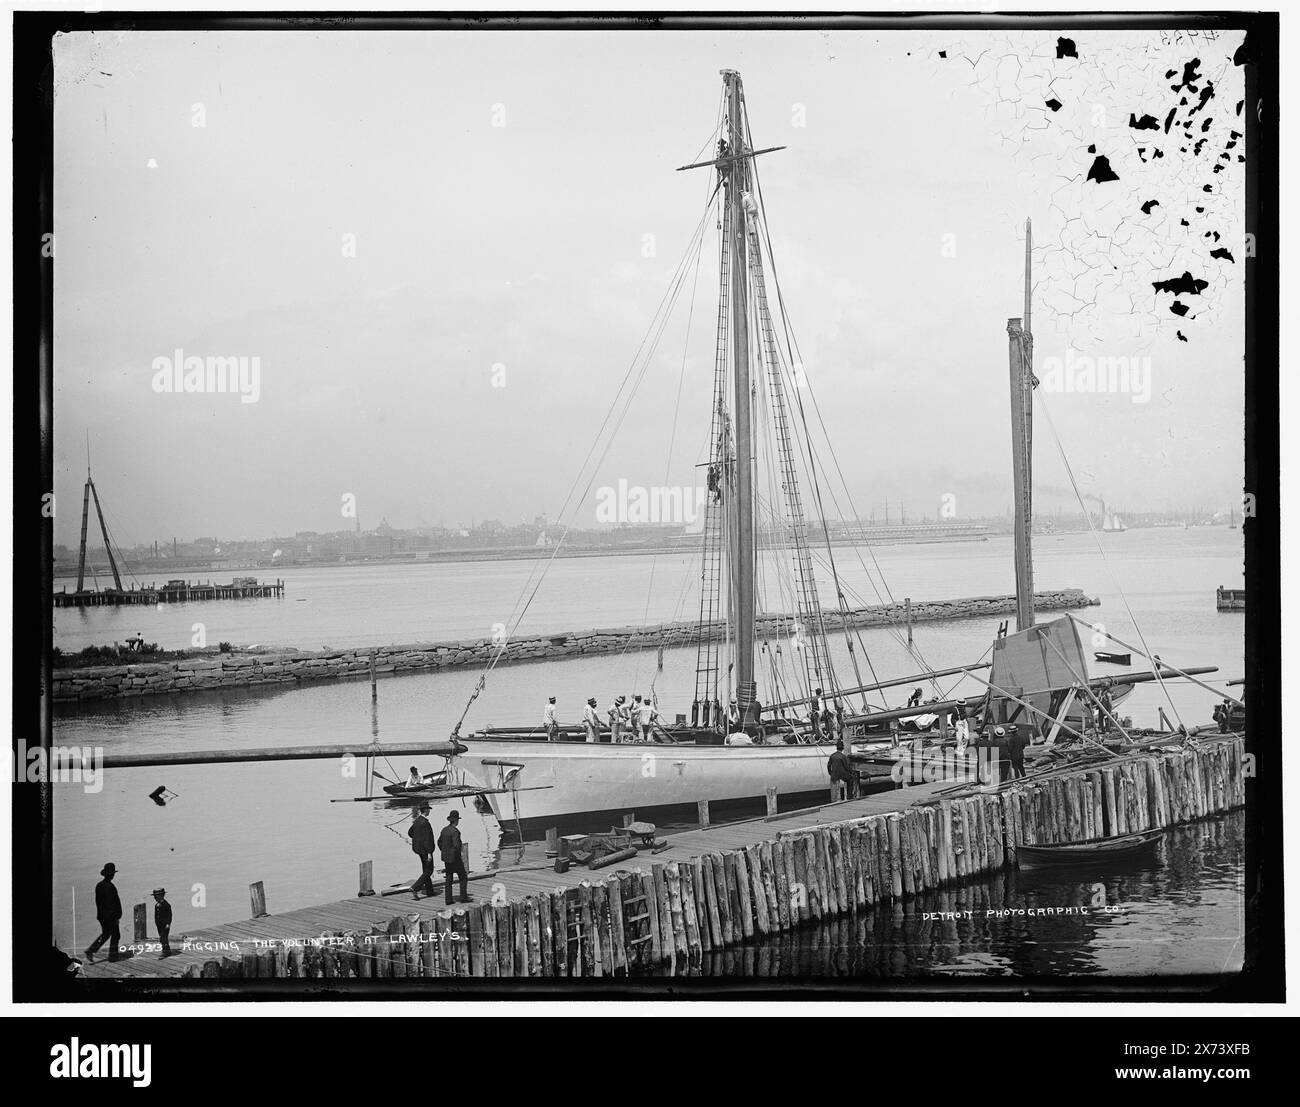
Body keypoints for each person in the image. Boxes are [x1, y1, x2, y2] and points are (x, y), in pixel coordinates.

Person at [84, 862, 122, 963]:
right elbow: (111, 904)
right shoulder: (110, 887)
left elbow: (99, 902)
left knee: (105, 934)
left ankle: (91, 950)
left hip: (102, 916)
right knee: (116, 935)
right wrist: (116, 917)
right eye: (113, 873)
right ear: (112, 875)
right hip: (111, 917)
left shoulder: (99, 885)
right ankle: (113, 957)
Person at [438, 810, 470, 905]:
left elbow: (439, 842)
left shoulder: (444, 830)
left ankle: (448, 899)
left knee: (448, 878)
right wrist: (456, 855)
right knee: (463, 877)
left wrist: (444, 851)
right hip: (455, 859)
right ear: (456, 821)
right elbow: (456, 846)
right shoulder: (455, 832)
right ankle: (463, 897)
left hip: (446, 858)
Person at [408, 801, 437, 899]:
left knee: (425, 869)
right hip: (425, 850)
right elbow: (428, 839)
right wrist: (429, 853)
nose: (429, 811)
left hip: (419, 850)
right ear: (426, 810)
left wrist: (417, 839)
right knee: (429, 870)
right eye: (428, 809)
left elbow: (410, 833)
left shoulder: (416, 821)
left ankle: (430, 891)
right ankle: (415, 887)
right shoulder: (425, 823)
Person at [152, 888, 173, 957]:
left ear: (161, 895)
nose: (155, 898)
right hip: (159, 925)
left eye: (156, 896)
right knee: (162, 937)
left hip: (165, 925)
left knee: (163, 938)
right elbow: (156, 915)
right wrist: (156, 922)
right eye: (154, 896)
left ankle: (166, 951)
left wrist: (168, 924)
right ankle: (166, 950)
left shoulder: (166, 904)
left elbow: (169, 915)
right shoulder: (157, 905)